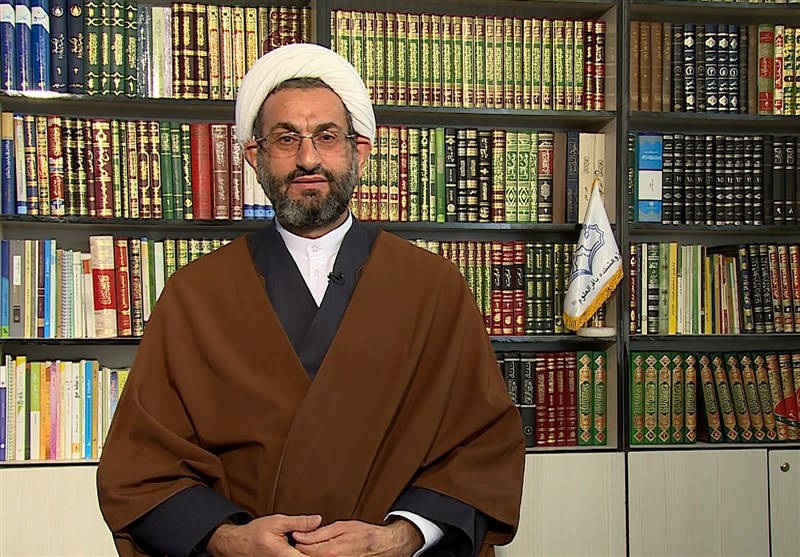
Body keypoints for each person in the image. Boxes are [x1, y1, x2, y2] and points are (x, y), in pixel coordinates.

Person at [97, 43, 525, 557]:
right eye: (286, 139)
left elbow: (481, 445)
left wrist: (400, 537)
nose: (307, 159)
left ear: (359, 151)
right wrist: (227, 539)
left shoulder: (432, 287)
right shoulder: (196, 294)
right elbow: (142, 466)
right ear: (254, 157)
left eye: (326, 136)